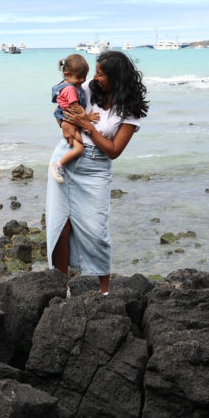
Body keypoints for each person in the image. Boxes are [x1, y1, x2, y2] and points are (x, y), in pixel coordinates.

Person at [46, 50, 149, 295]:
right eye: (96, 72)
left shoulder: (130, 110)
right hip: (66, 158)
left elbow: (113, 150)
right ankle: (63, 287)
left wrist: (87, 126)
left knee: (97, 230)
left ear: (117, 77)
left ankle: (104, 291)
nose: (95, 77)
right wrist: (64, 125)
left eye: (101, 74)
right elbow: (63, 109)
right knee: (61, 226)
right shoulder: (88, 90)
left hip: (95, 170)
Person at [49, 54, 90, 184]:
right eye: (79, 77)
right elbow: (75, 108)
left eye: (84, 76)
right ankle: (59, 165)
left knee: (75, 142)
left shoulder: (68, 84)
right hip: (68, 119)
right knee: (79, 149)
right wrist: (87, 118)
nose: (82, 80)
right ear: (66, 74)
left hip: (67, 117)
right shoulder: (70, 89)